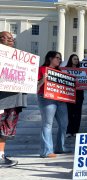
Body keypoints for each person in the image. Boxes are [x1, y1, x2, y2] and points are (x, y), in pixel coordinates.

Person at [0, 31, 27, 167]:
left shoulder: (19, 57)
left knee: (5, 130)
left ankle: (0, 155)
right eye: (8, 38)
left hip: (14, 99)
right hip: (2, 99)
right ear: (1, 39)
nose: (12, 39)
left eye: (12, 38)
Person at [37, 51, 69, 158]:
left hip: (60, 100)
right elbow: (35, 87)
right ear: (50, 58)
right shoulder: (41, 69)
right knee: (47, 124)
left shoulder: (60, 72)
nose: (59, 60)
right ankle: (46, 151)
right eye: (57, 58)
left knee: (64, 123)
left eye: (60, 58)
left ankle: (60, 147)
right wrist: (43, 80)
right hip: (46, 98)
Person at [65, 54, 84, 137]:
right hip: (69, 93)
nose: (76, 60)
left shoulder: (81, 70)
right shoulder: (65, 70)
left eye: (77, 59)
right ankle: (69, 131)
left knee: (77, 113)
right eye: (74, 59)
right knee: (69, 113)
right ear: (70, 60)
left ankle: (76, 131)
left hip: (79, 94)